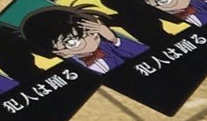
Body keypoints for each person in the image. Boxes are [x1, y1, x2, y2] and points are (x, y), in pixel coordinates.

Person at [19, 7, 148, 74]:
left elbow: (146, 53)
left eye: (90, 31)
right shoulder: (65, 69)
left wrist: (114, 40)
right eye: (73, 41)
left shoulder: (109, 45)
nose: (90, 37)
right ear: (59, 51)